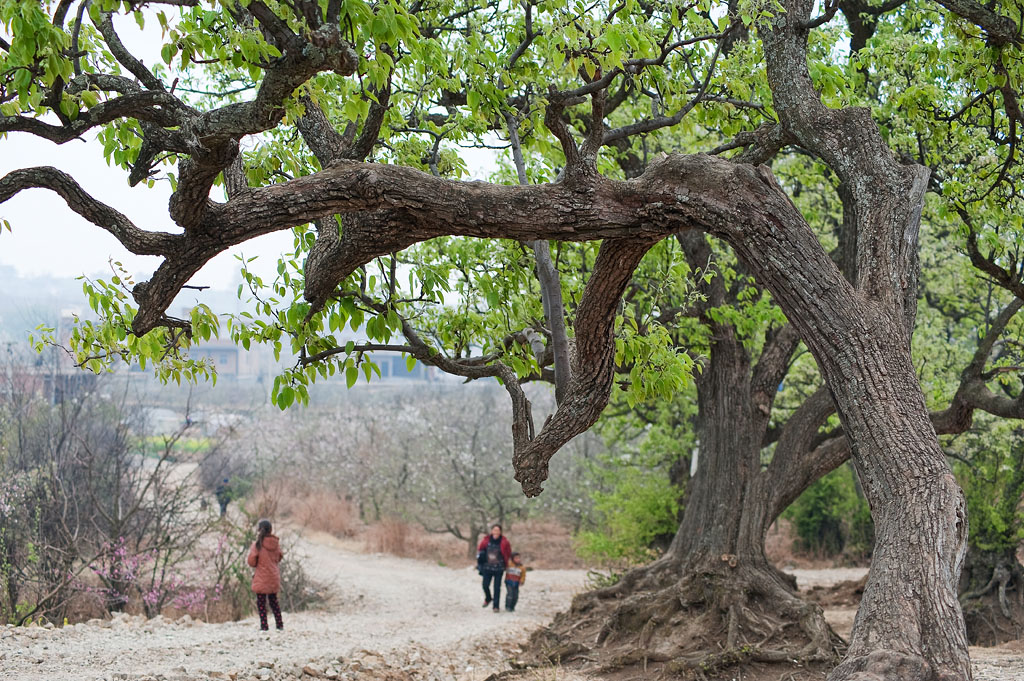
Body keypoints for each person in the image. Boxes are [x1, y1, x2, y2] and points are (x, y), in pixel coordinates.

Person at [247, 519, 284, 631]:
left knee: (261, 603)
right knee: (274, 602)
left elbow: (251, 562)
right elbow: (279, 557)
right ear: (270, 529)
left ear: (259, 530)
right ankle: (279, 624)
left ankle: (264, 626)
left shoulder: (257, 544)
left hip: (261, 577)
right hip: (273, 576)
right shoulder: (275, 543)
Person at [476, 524, 511, 613]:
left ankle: (496, 606)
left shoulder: (504, 541)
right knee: (485, 585)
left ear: (500, 531)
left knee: (497, 587)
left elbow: (508, 553)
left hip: (499, 567)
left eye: (498, 530)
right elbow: (480, 550)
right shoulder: (486, 540)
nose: (496, 532)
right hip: (487, 567)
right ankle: (488, 598)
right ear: (491, 531)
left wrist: (507, 564)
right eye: (494, 530)